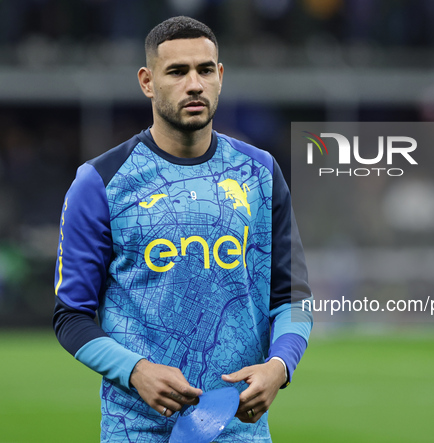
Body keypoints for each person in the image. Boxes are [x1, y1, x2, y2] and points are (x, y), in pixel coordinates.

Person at [53, 16, 313, 442]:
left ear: (220, 76)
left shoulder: (260, 174)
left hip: (240, 431)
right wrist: (135, 371)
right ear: (147, 81)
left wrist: (279, 366)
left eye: (205, 70)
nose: (194, 84)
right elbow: (71, 316)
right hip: (136, 429)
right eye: (177, 71)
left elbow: (292, 298)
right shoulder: (99, 182)